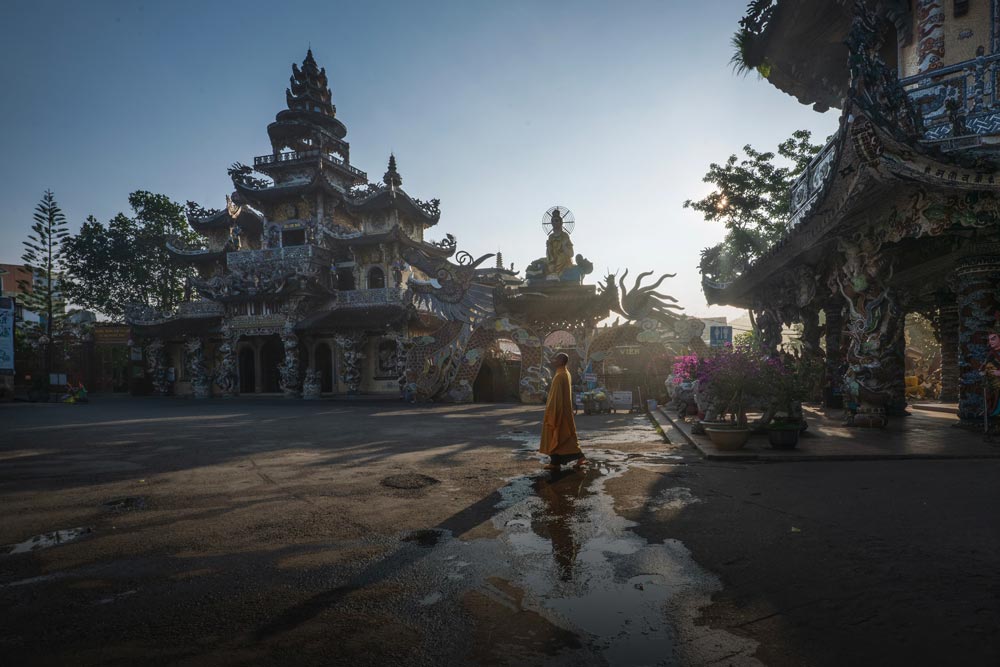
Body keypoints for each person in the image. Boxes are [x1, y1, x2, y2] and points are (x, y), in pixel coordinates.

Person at [540, 352, 587, 470]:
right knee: (565, 437)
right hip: (564, 410)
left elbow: (556, 398)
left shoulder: (560, 375)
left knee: (557, 436)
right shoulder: (565, 373)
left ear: (561, 361)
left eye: (556, 359)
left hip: (558, 411)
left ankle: (558, 462)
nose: (554, 361)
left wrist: (552, 413)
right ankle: (558, 462)